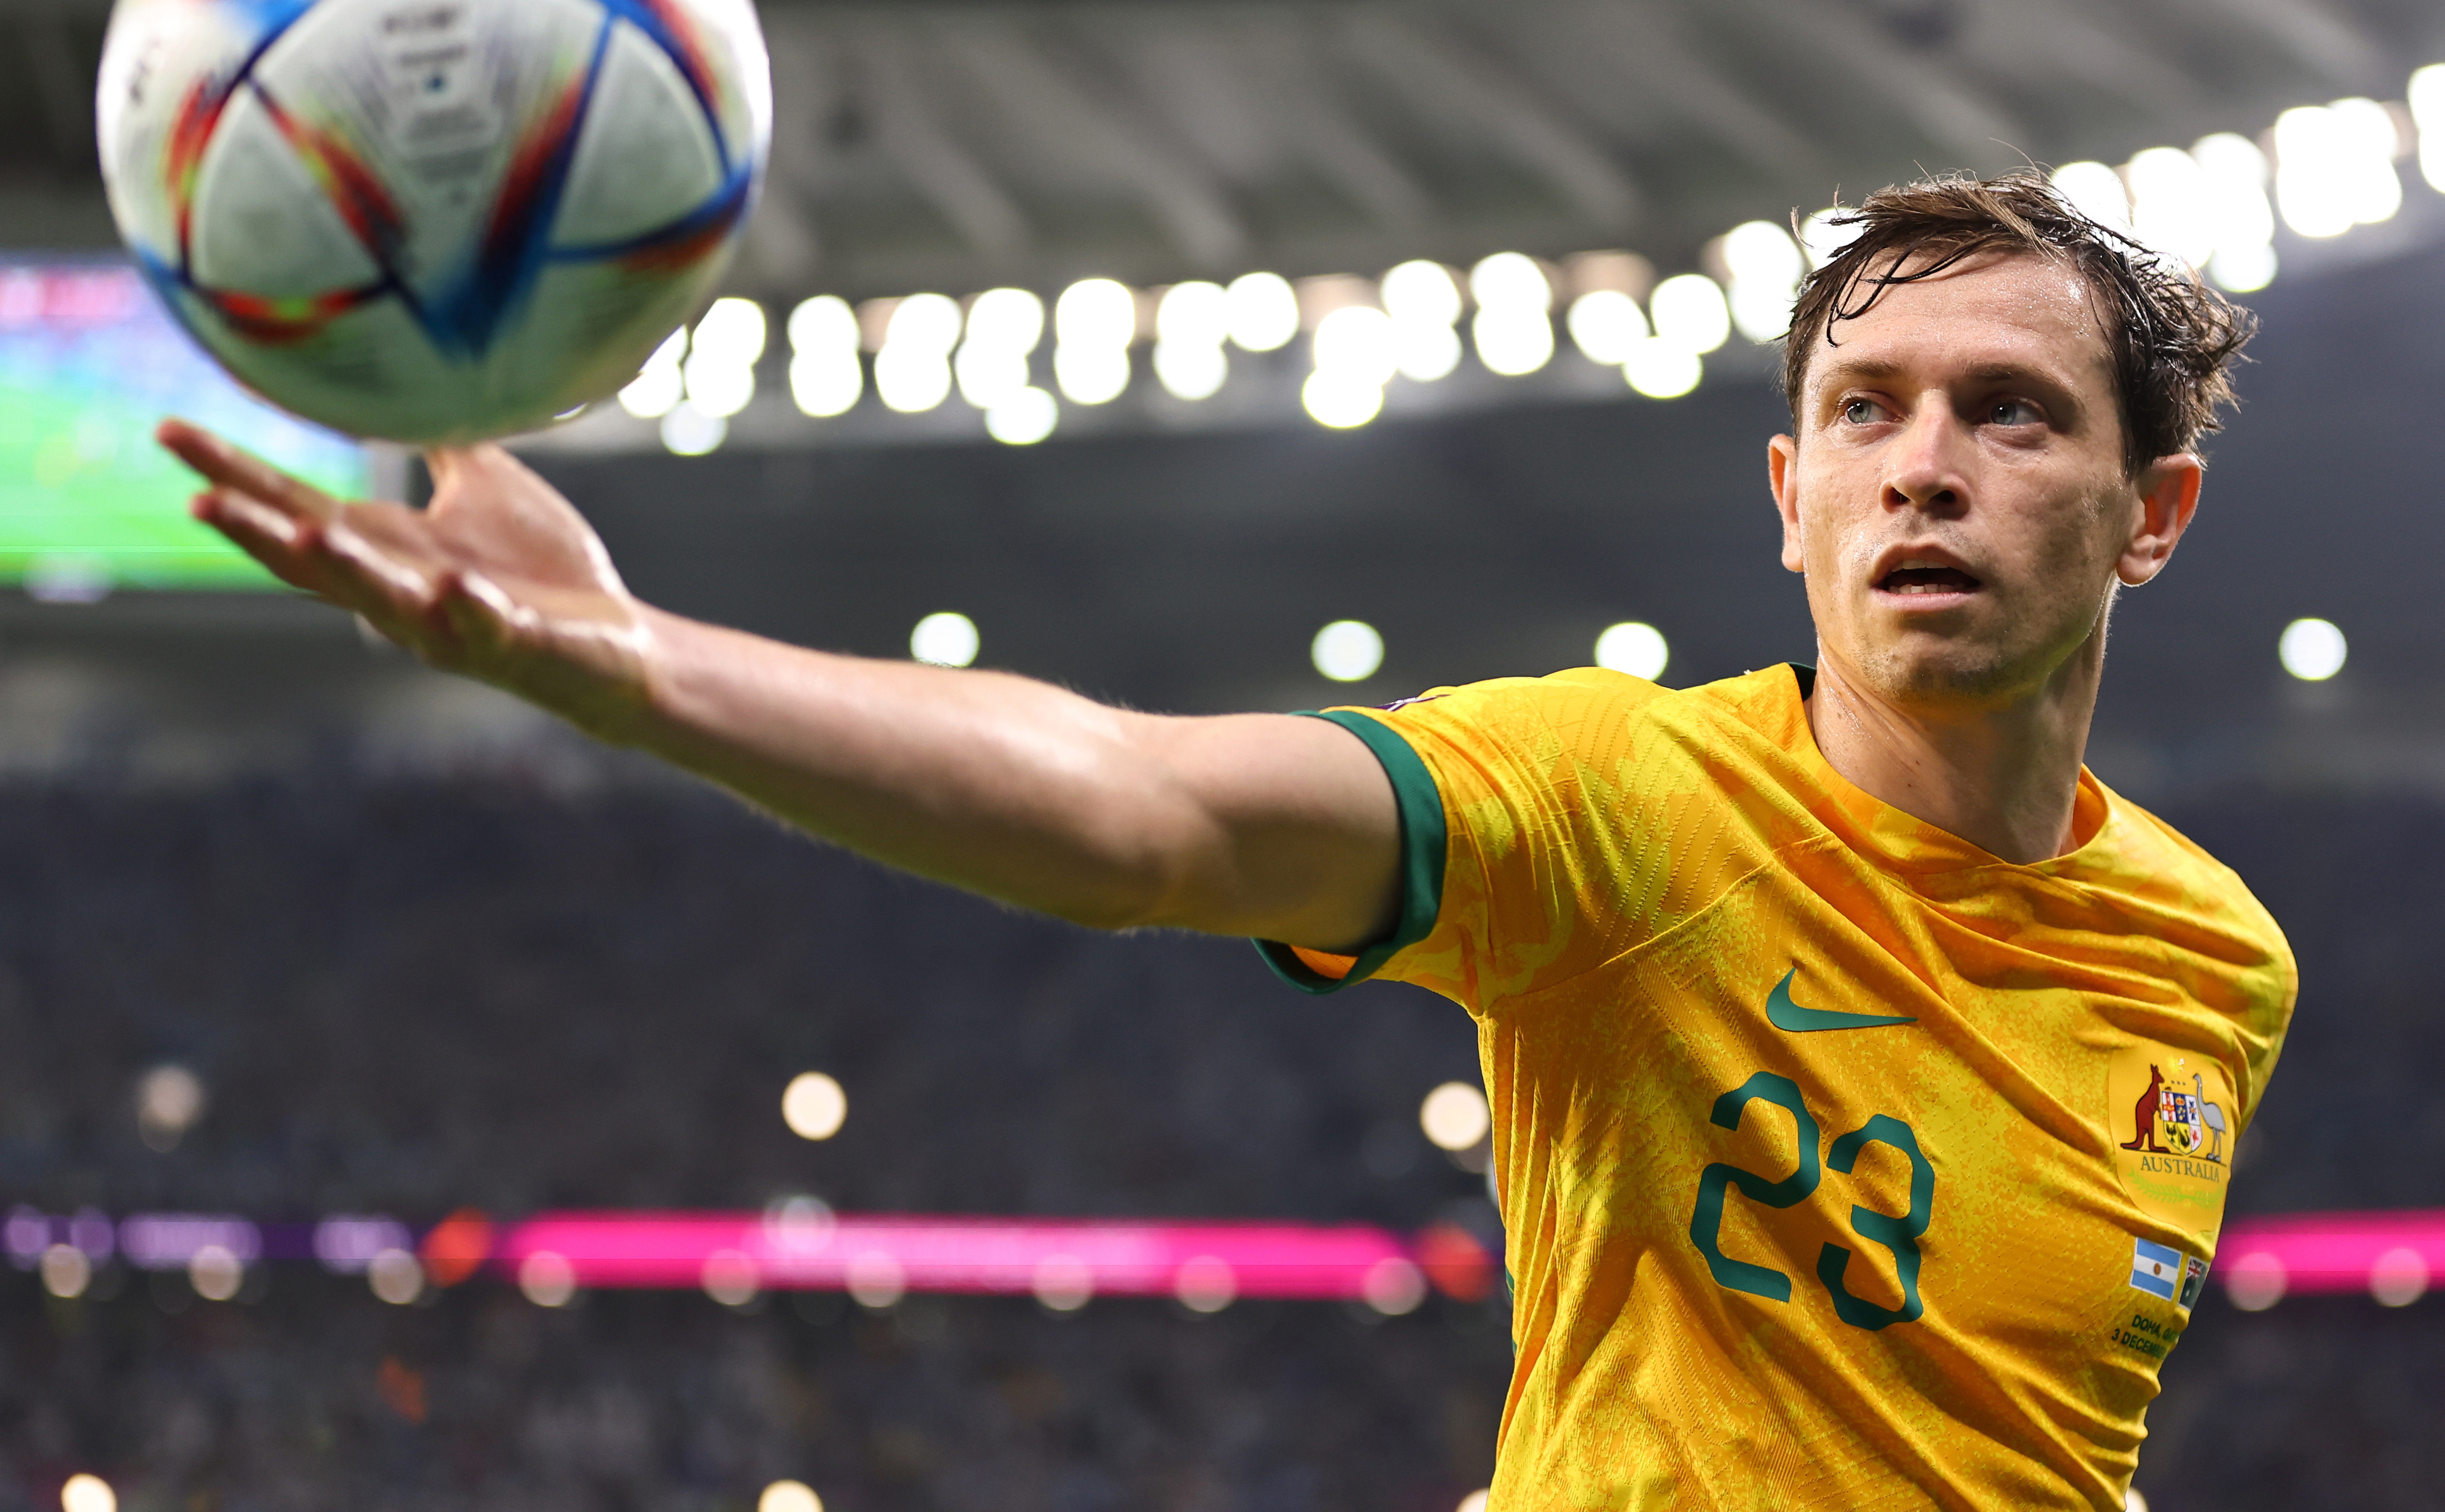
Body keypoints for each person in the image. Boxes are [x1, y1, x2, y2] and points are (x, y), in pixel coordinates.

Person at [161, 169, 2295, 1509]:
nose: (1923, 466)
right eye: (1867, 408)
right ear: (1789, 495)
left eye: (2010, 411)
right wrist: (625, 660)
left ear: (2153, 513)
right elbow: (1139, 809)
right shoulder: (1621, 799)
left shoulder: (2216, 960)